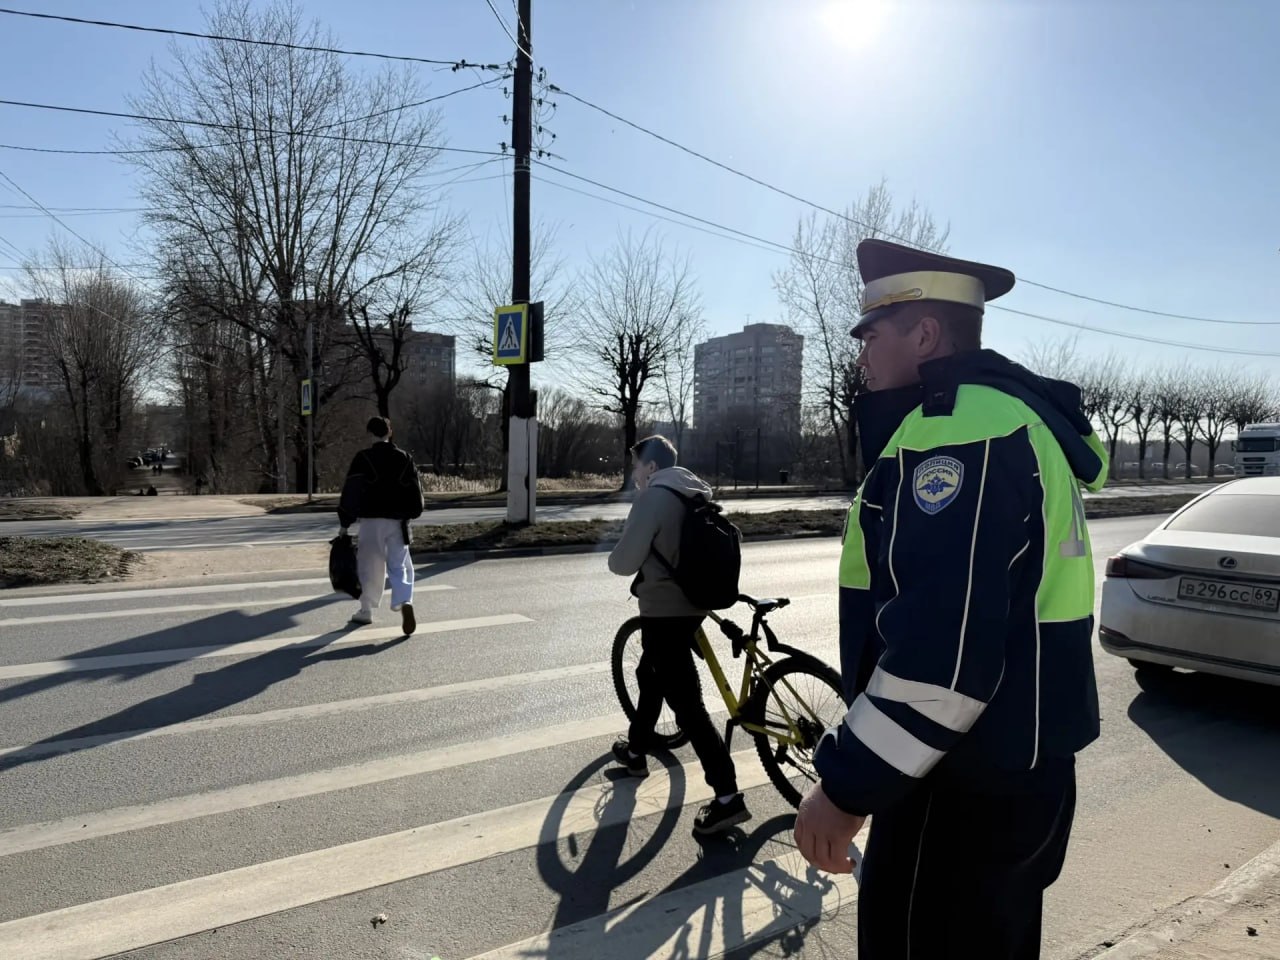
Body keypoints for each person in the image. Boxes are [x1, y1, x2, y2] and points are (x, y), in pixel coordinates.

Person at [793, 239, 1109, 959]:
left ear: (925, 334)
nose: (863, 353)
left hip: (958, 784)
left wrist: (843, 790)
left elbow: (942, 662)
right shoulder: (1013, 422)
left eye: (873, 333)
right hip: (1013, 771)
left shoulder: (961, 432)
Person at [606, 435, 750, 837]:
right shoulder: (693, 492)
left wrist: (612, 557)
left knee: (687, 705)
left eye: (636, 466)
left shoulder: (653, 498)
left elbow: (624, 561)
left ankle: (727, 797)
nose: (634, 473)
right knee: (649, 677)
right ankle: (636, 752)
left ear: (651, 467)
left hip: (664, 611)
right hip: (692, 605)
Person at [338, 416, 424, 634]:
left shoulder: (363, 458)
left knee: (369, 566)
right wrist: (412, 513)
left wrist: (345, 522)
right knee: (400, 564)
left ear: (370, 434)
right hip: (398, 522)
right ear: (390, 432)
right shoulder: (404, 458)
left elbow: (352, 491)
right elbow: (415, 492)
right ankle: (405, 602)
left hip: (370, 520)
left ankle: (365, 611)